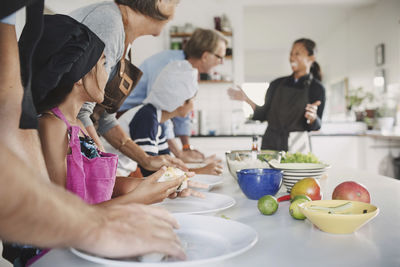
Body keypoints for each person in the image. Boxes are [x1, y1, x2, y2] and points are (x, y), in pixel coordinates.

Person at [0, 1, 184, 266]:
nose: (107, 73)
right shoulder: (53, 127)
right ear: (78, 74)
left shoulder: (80, 129)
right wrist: (134, 200)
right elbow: (56, 210)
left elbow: (96, 186)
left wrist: (148, 185)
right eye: (103, 63)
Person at [70, 0, 187, 173]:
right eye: (175, 3)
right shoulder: (107, 22)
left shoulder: (123, 38)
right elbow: (78, 112)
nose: (175, 12)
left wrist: (146, 160)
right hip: (57, 149)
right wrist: (105, 171)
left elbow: (105, 118)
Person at [119, 28, 227, 165]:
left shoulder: (186, 70)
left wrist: (186, 148)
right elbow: (163, 109)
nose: (221, 62)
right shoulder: (170, 68)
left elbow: (174, 113)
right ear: (205, 56)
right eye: (220, 57)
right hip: (124, 118)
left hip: (144, 122)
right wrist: (180, 154)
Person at [115, 59, 221, 177]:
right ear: (181, 100)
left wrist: (201, 165)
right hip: (113, 176)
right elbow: (150, 172)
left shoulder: (159, 119)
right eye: (193, 100)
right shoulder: (147, 118)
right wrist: (200, 171)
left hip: (122, 176)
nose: (193, 106)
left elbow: (167, 165)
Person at [228, 38, 326, 151]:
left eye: (297, 53)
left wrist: (313, 118)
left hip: (297, 145)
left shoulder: (317, 88)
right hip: (271, 143)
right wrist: (247, 99)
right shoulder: (276, 84)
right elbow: (263, 114)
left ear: (311, 58)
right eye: (291, 54)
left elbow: (317, 125)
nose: (292, 57)